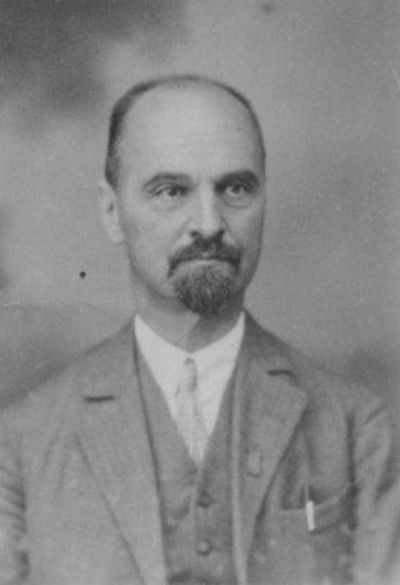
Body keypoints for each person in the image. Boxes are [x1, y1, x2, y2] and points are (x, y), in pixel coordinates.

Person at [0, 74, 398, 585]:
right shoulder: (21, 443)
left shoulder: (360, 431)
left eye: (236, 188)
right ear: (111, 212)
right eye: (171, 191)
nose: (208, 224)